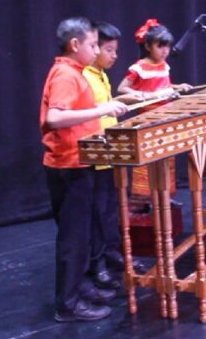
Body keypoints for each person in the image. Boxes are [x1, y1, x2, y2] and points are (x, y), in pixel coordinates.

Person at [40, 17, 128, 322]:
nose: (96, 50)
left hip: (81, 162)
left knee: (85, 235)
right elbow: (54, 117)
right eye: (92, 45)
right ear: (75, 45)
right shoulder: (66, 74)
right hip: (69, 166)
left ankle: (81, 287)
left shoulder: (76, 73)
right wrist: (103, 109)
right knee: (74, 240)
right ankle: (68, 305)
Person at [117, 18, 191, 200]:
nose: (165, 51)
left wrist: (178, 86)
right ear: (148, 46)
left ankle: (164, 192)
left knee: (166, 154)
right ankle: (145, 196)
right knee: (148, 155)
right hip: (148, 117)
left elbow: (166, 86)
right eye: (160, 46)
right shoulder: (139, 67)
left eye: (167, 46)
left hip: (166, 116)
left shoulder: (165, 66)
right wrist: (142, 95)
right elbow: (121, 88)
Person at [82, 21, 125, 290]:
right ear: (94, 47)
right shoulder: (84, 76)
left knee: (110, 209)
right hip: (94, 153)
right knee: (97, 213)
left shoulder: (101, 74)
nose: (114, 55)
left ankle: (111, 254)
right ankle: (97, 263)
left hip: (110, 150)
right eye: (108, 49)